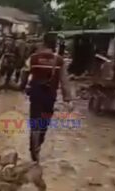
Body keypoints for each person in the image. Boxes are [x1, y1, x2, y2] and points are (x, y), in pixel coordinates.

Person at [25, 33, 73, 162]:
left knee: (34, 120)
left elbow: (24, 72)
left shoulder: (33, 58)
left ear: (43, 42)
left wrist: (24, 87)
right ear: (54, 44)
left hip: (35, 94)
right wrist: (67, 99)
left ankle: (32, 148)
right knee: (44, 122)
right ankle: (39, 142)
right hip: (50, 96)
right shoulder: (59, 61)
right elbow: (64, 81)